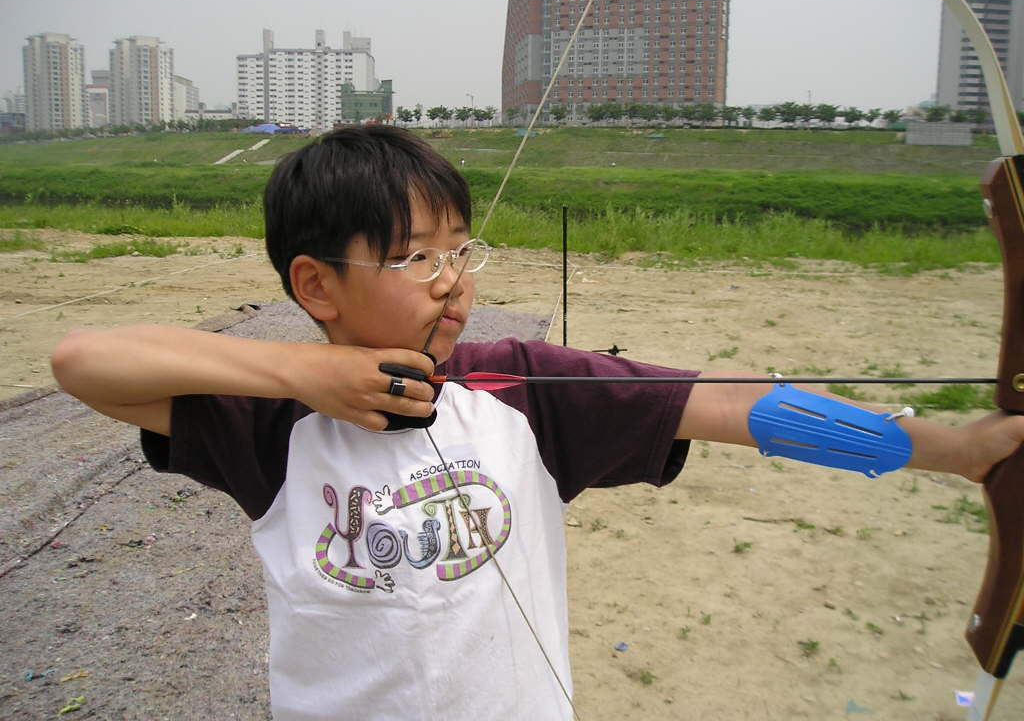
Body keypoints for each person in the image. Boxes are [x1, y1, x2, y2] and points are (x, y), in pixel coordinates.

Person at [51, 125, 1022, 721]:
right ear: (317, 285)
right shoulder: (268, 425)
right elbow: (82, 360)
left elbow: (733, 405)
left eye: (460, 250)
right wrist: (303, 373)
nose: (453, 281)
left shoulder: (520, 388)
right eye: (415, 258)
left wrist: (960, 450)